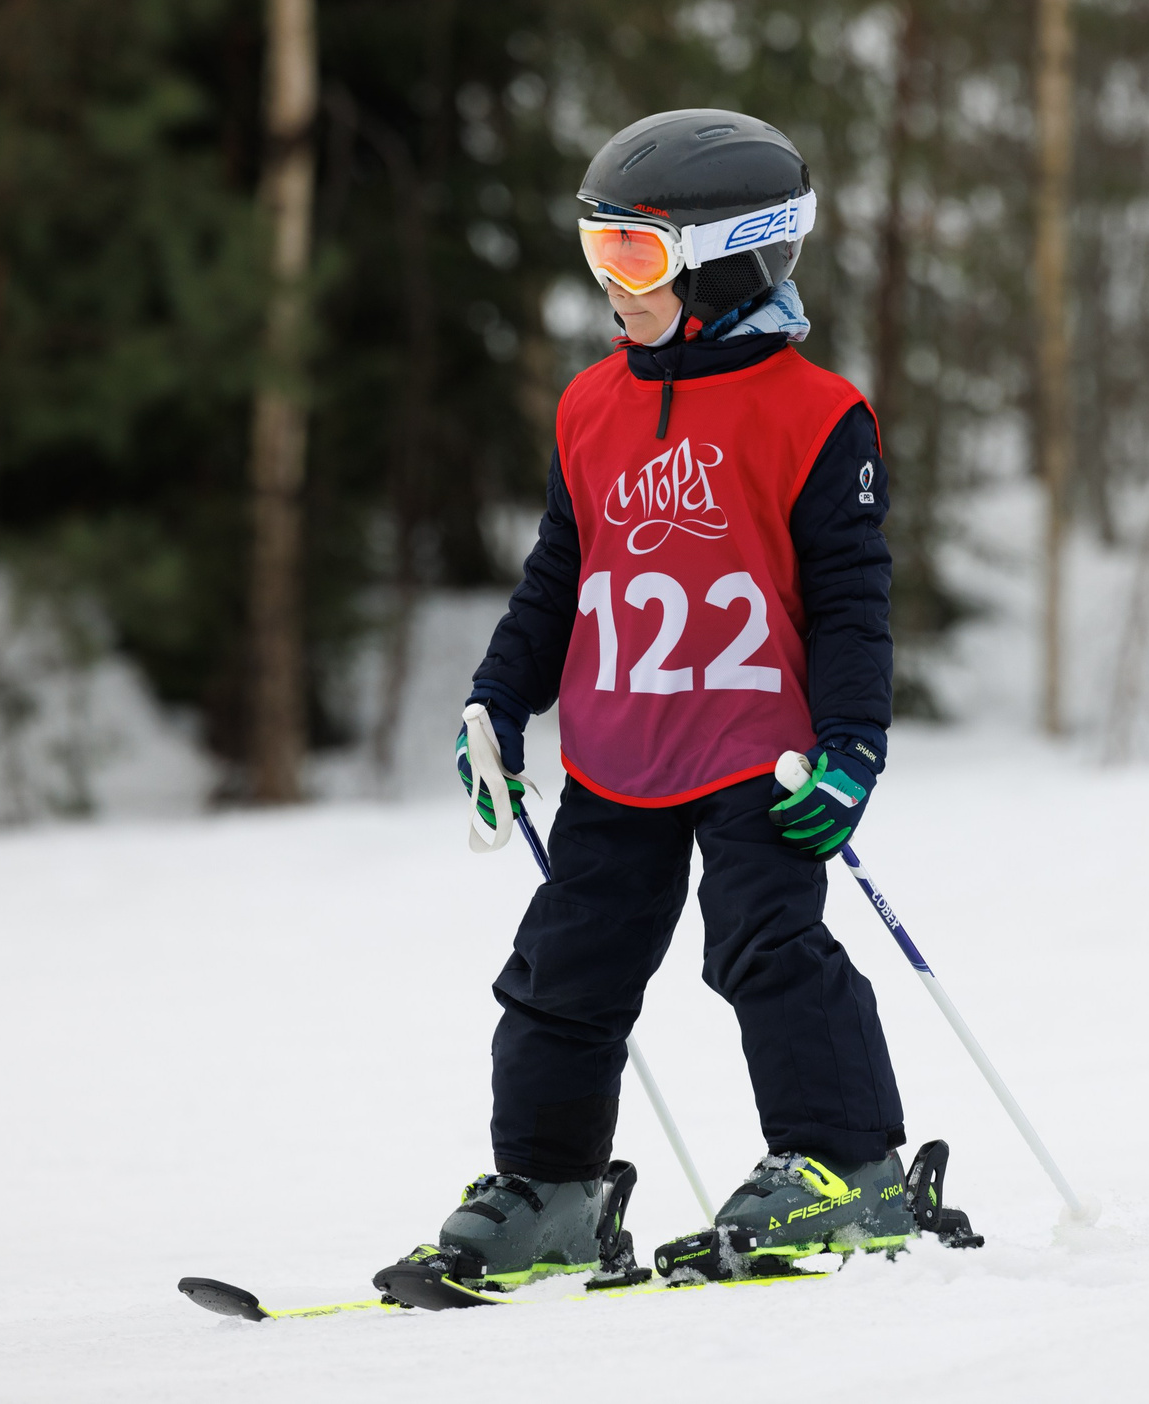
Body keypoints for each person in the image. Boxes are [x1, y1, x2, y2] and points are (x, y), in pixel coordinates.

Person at [376, 108, 908, 1293]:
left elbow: (851, 603)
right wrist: (497, 701)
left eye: (636, 254)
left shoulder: (815, 413)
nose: (611, 285)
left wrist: (852, 747)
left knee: (766, 947)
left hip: (757, 752)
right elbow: (558, 576)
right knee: (561, 972)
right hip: (619, 752)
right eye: (598, 249)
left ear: (726, 261)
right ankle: (550, 1192)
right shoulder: (591, 406)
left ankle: (846, 1165)